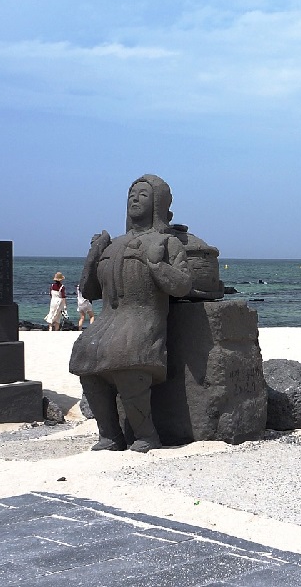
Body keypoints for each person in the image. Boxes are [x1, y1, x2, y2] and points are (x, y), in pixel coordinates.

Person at [72, 175, 192, 453]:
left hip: (143, 321)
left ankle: (146, 435)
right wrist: (92, 256)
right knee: (84, 360)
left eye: (143, 195)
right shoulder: (112, 245)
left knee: (127, 361)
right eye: (131, 194)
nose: (135, 199)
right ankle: (109, 435)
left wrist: (155, 264)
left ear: (158, 204)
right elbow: (90, 291)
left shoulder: (166, 242)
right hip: (109, 322)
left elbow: (182, 285)